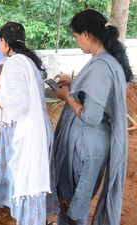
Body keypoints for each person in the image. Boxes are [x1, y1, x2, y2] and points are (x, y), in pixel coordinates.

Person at [53, 9, 132, 225]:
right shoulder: (108, 60)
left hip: (86, 146)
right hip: (95, 145)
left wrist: (66, 96)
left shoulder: (101, 66)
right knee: (78, 198)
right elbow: (98, 93)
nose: (77, 42)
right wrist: (74, 82)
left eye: (76, 37)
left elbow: (90, 116)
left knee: (73, 201)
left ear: (86, 34)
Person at [0, 22, 53, 224]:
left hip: (24, 131)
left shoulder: (15, 63)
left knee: (26, 180)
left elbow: (19, 106)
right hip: (34, 126)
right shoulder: (26, 61)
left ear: (4, 41)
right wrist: (0, 87)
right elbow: (20, 94)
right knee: (24, 180)